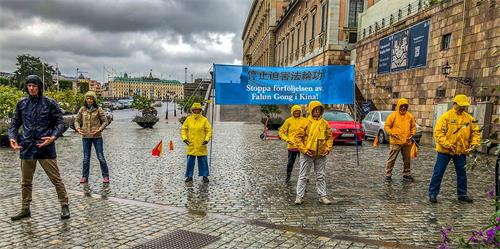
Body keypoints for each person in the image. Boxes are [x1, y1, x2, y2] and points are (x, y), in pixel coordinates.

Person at [8, 75, 70, 220]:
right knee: (26, 181)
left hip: (45, 146)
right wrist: (12, 137)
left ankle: (64, 205)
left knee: (56, 179)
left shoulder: (49, 103)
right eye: (29, 86)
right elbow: (14, 123)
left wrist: (53, 137)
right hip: (27, 147)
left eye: (34, 86)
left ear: (39, 87)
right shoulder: (21, 103)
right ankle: (25, 208)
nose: (31, 88)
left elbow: (60, 123)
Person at [428, 94, 480, 203]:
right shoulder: (446, 117)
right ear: (454, 104)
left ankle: (462, 194)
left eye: (464, 106)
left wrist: (474, 145)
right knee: (438, 172)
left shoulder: (470, 118)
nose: (463, 108)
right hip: (445, 151)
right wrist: (447, 144)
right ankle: (433, 194)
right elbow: (438, 133)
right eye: (460, 105)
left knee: (462, 173)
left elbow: (476, 132)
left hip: (461, 151)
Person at [293, 101, 333, 205]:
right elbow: (298, 138)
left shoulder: (325, 123)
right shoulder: (305, 122)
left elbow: (329, 137)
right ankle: (299, 196)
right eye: (315, 110)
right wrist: (304, 150)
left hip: (321, 154)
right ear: (311, 111)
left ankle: (322, 196)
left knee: (321, 176)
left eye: (318, 110)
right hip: (307, 153)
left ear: (321, 111)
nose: (316, 112)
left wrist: (328, 148)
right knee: (303, 176)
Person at [74, 91, 110, 185]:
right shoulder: (82, 109)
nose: (89, 100)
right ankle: (84, 176)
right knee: (86, 158)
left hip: (97, 136)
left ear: (94, 100)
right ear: (85, 99)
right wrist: (78, 128)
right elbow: (77, 120)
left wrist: (100, 130)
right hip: (86, 136)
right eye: (87, 98)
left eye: (91, 98)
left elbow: (105, 121)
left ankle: (105, 176)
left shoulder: (99, 109)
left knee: (100, 157)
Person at [383, 98, 417, 182]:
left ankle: (406, 174)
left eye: (405, 106)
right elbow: (387, 126)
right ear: (398, 106)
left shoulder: (410, 116)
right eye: (401, 106)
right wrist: (391, 133)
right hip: (395, 141)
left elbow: (413, 127)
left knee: (407, 159)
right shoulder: (393, 116)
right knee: (392, 159)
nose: (403, 108)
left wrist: (412, 134)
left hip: (407, 142)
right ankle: (388, 174)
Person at [181, 103, 212, 183]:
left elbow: (209, 130)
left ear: (200, 110)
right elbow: (183, 129)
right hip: (191, 144)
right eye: (194, 109)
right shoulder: (188, 119)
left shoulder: (204, 120)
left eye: (197, 109)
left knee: (203, 161)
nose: (196, 111)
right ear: (192, 110)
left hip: (201, 144)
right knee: (190, 161)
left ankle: (205, 176)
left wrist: (206, 139)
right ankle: (189, 176)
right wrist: (184, 138)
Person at [278, 105, 306, 184]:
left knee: (304, 163)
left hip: (302, 146)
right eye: (295, 111)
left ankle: (304, 177)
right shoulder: (288, 121)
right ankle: (288, 177)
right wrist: (287, 139)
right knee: (290, 163)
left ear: (300, 112)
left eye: (298, 111)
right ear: (292, 112)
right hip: (292, 146)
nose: (297, 112)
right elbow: (281, 132)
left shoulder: (305, 120)